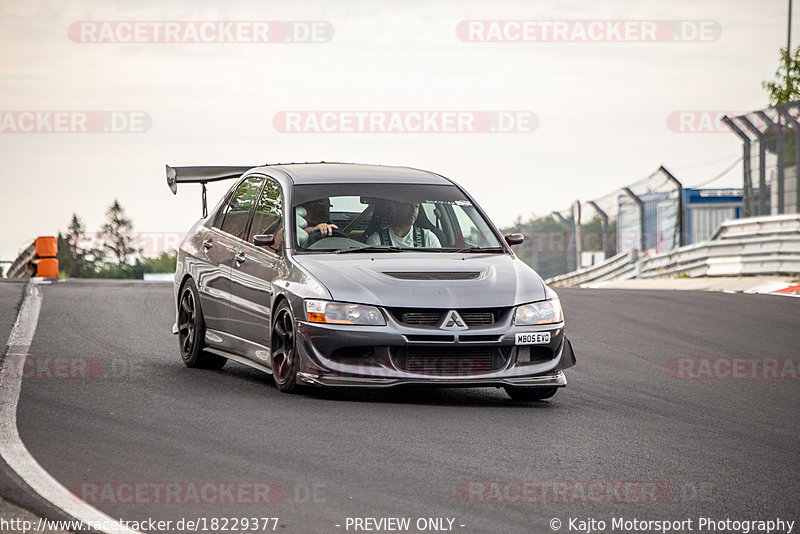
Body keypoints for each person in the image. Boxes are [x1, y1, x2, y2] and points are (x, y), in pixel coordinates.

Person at [366, 201, 441, 248]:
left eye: (416, 206)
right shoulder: (377, 241)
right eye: (408, 205)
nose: (413, 210)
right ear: (394, 207)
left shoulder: (428, 238)